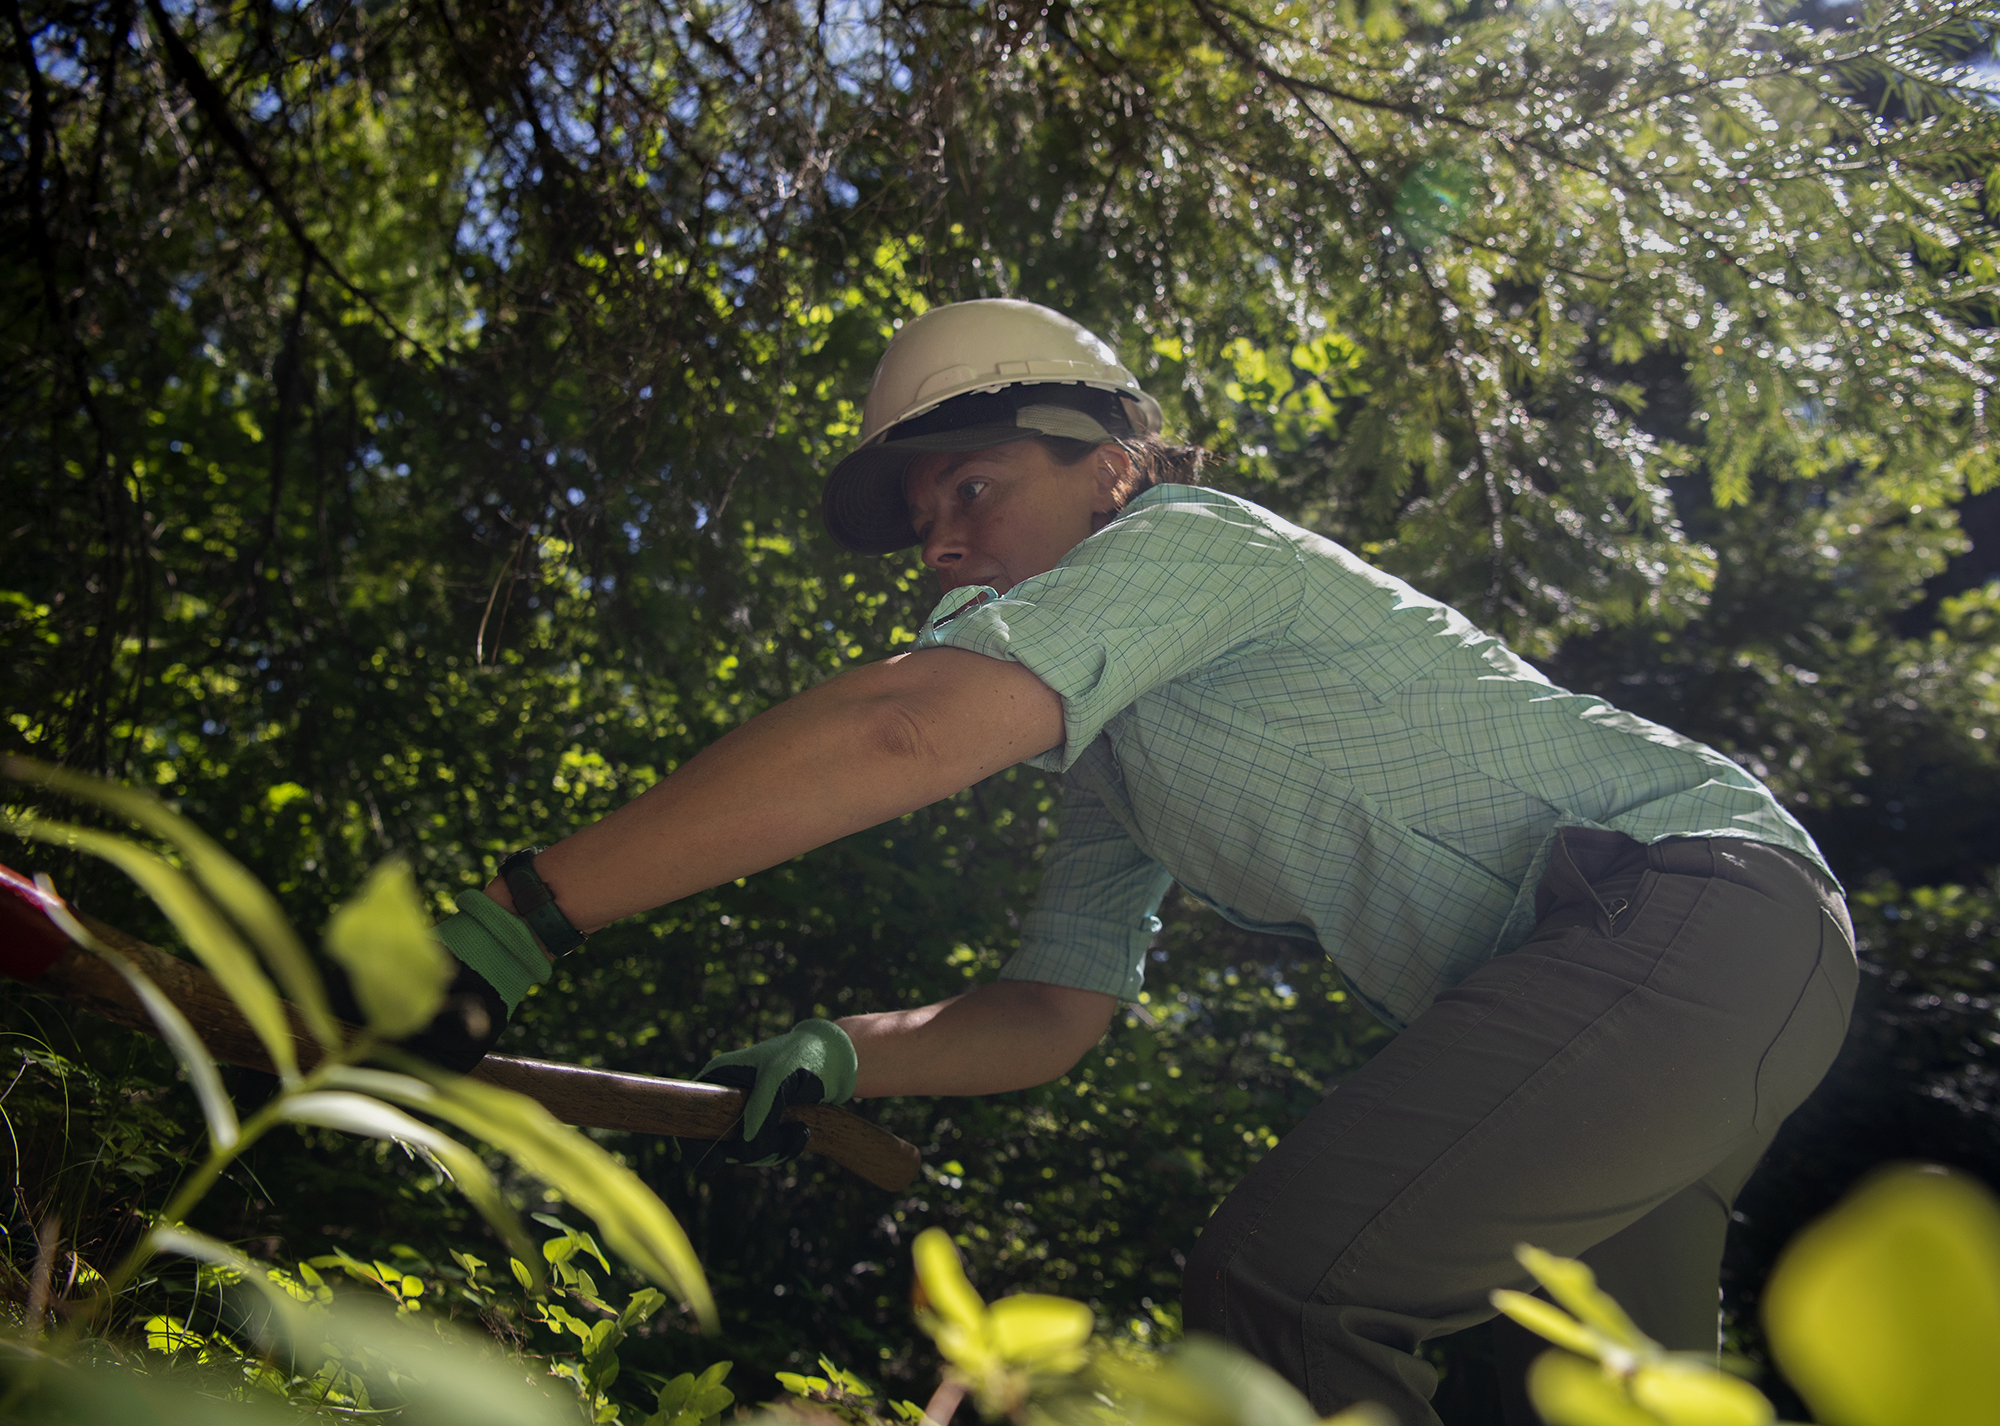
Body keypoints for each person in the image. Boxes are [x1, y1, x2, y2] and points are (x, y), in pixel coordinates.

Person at [412, 300, 1857, 1426]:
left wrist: (523, 918)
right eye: (922, 526)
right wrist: (843, 1050)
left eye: (968, 489)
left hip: (1686, 912)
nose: (942, 544)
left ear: (1108, 462)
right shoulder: (1118, 755)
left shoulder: (1189, 540)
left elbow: (908, 727)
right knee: (1567, 1391)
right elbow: (1059, 1007)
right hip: (1653, 992)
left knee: (1293, 1283)